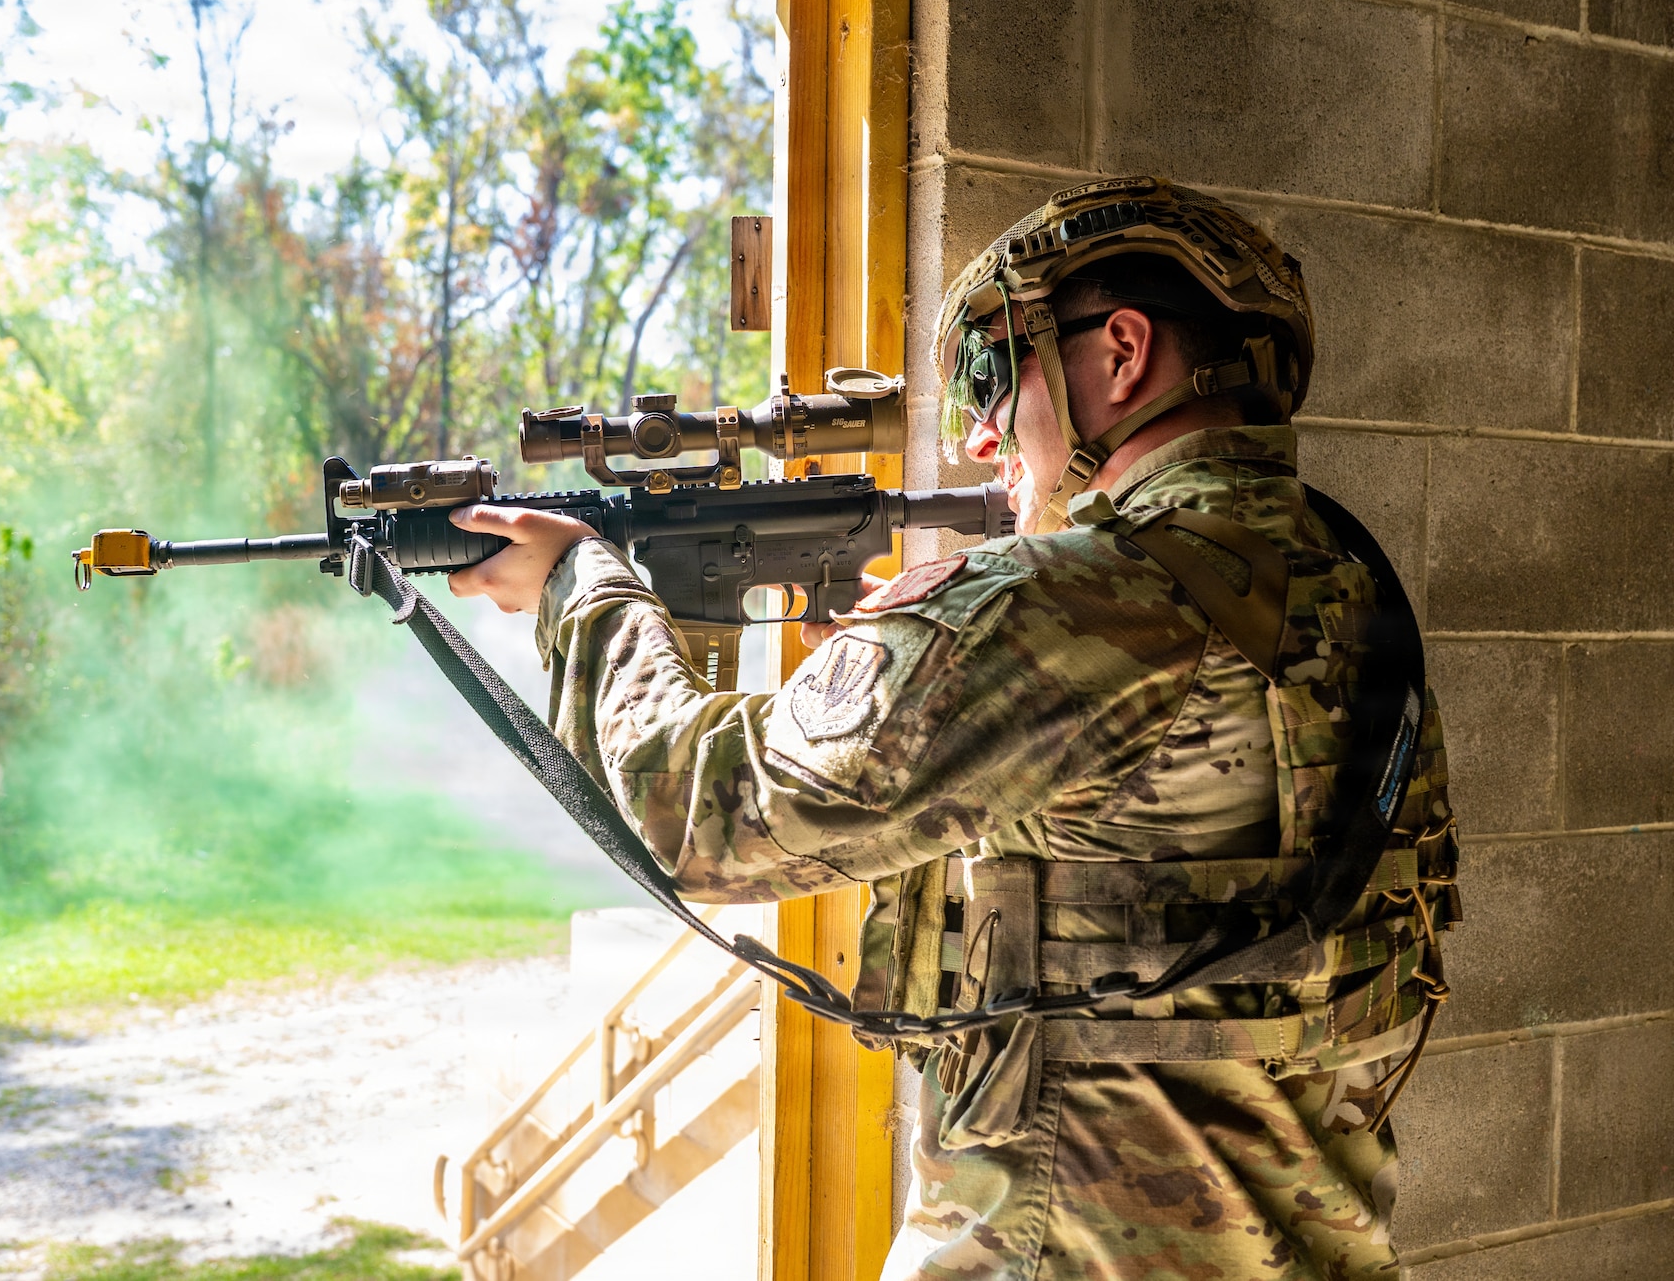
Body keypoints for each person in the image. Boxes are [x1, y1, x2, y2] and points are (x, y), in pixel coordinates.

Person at [446, 177, 1461, 1281]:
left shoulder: (1072, 602)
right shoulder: (1347, 582)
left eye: (991, 373)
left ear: (1122, 353)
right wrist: (918, 665)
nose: (980, 436)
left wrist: (579, 584)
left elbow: (699, 813)